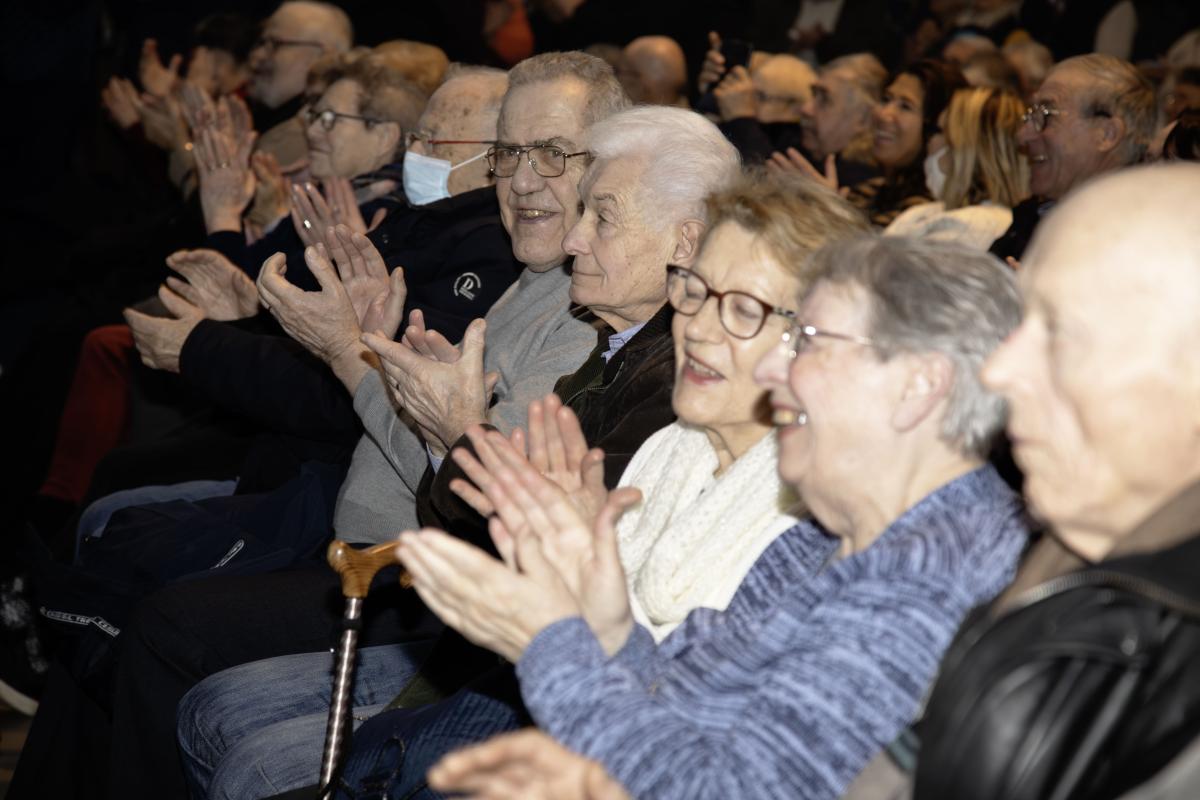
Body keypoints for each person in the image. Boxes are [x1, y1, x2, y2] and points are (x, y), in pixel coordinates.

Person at [176, 103, 743, 800]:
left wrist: (454, 427)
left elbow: (535, 570)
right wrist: (440, 414)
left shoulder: (677, 383)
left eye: (601, 216)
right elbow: (476, 531)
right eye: (510, 154)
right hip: (476, 633)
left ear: (685, 242)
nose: (571, 241)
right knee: (209, 704)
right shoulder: (617, 346)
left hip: (538, 676)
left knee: (245, 745)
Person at [395, 231, 1028, 800]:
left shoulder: (925, 580)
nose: (776, 368)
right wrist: (607, 623)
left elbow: (721, 789)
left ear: (919, 385)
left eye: (811, 343)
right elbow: (681, 707)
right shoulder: (832, 538)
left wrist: (548, 642)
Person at [914, 163, 1200, 798]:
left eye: (1062, 334)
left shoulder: (1163, 647)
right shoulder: (1077, 550)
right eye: (1021, 324)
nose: (998, 371)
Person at [989, 53, 1156, 261]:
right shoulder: (1030, 218)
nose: (1022, 135)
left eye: (1045, 116)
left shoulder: (1142, 236)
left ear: (1106, 134)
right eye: (1030, 116)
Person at [773, 59, 966, 227]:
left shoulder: (932, 210)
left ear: (938, 127)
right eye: (886, 99)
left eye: (905, 106)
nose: (883, 114)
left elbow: (871, 259)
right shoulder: (872, 188)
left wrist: (828, 208)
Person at [886, 86, 1029, 250]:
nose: (930, 141)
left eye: (939, 131)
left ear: (965, 148)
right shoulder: (929, 212)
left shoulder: (973, 225)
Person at [615, 36, 688, 107]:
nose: (616, 78)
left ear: (639, 84)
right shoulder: (691, 117)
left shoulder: (632, 118)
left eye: (618, 71)